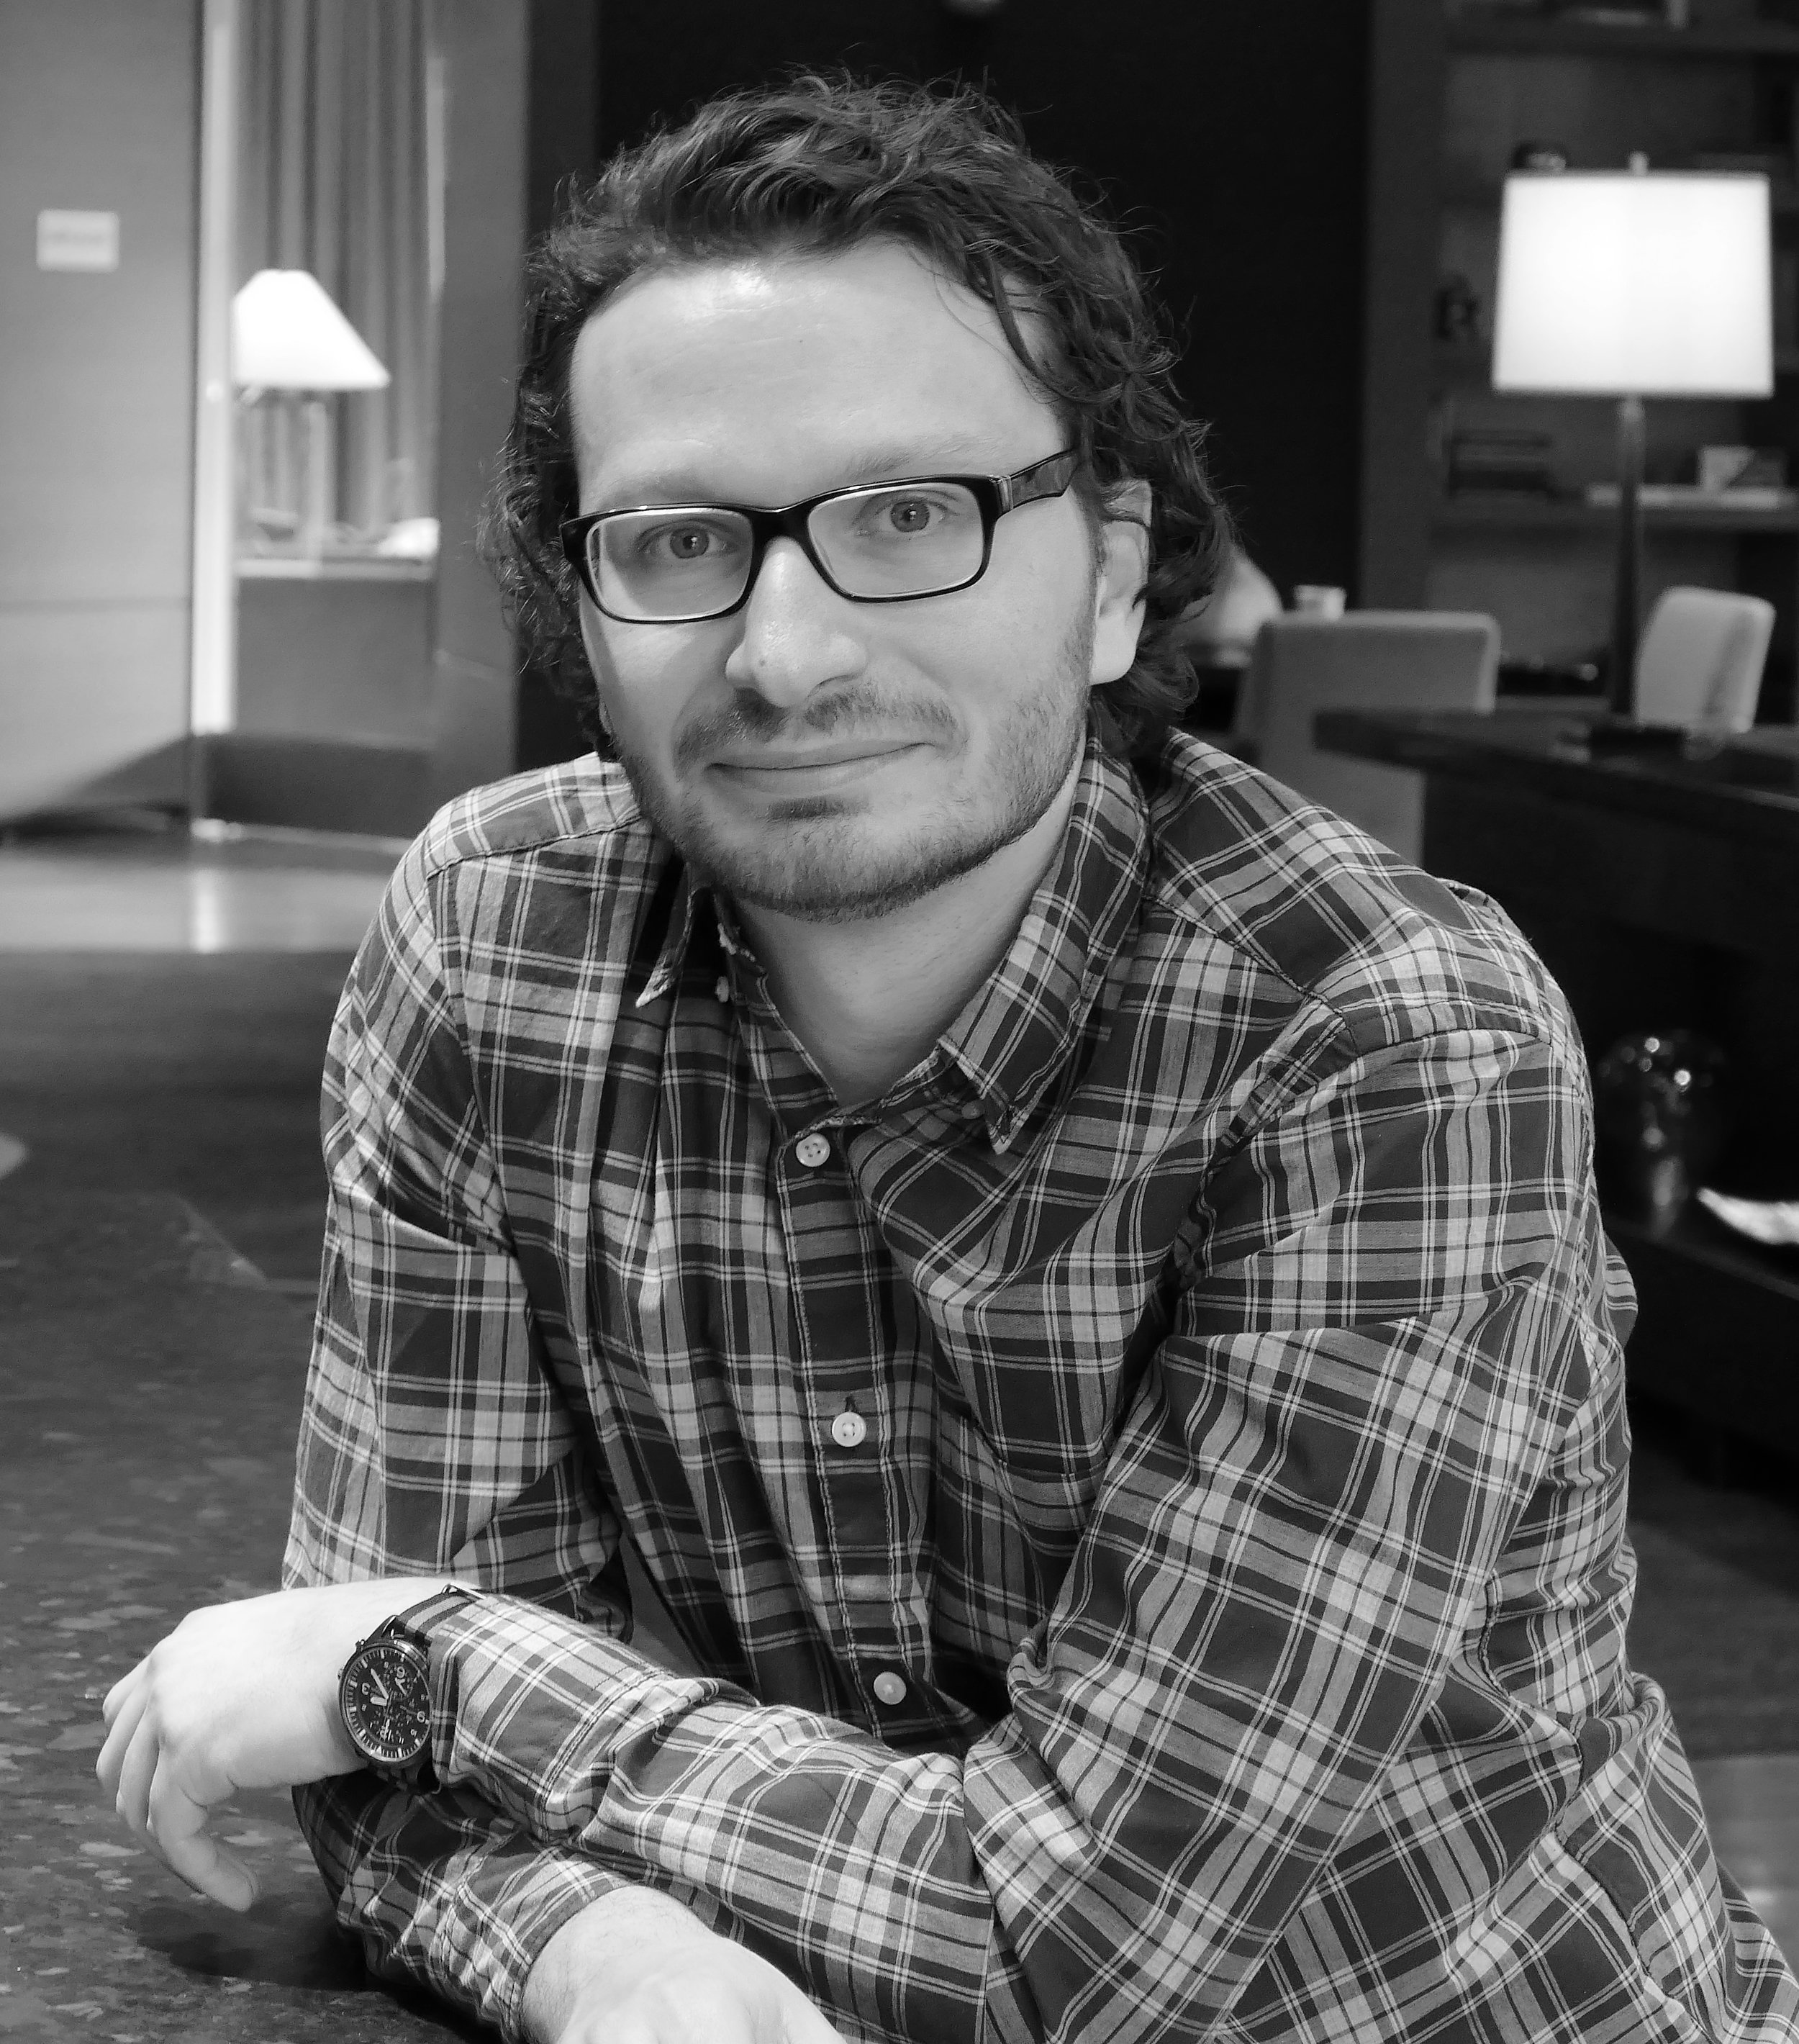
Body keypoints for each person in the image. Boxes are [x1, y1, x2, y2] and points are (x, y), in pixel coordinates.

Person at [96, 75, 1798, 2044]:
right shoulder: (494, 942)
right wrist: (597, 1953)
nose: (786, 654)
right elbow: (370, 1728)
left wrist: (431, 1663)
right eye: (677, 541)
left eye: (909, 517)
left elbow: (1076, 1951)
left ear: (1110, 573)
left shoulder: (1381, 1036)